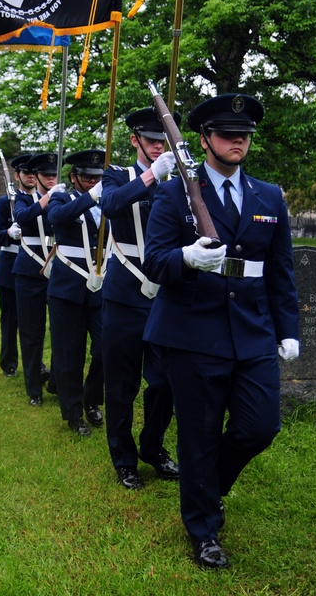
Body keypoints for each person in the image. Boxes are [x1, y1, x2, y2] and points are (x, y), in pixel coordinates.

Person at [142, 93, 300, 570]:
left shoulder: (268, 196)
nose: (239, 141)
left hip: (252, 330)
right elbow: (155, 260)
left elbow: (281, 270)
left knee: (260, 426)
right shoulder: (174, 194)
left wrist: (288, 328)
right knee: (200, 434)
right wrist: (187, 258)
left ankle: (208, 486)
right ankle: (204, 530)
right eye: (229, 134)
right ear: (205, 139)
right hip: (192, 331)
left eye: (245, 135)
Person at [99, 107, 181, 490]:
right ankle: (123, 458)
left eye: (161, 141)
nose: (156, 146)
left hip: (166, 294)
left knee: (165, 381)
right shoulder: (117, 175)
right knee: (121, 383)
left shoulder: (179, 180)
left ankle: (152, 446)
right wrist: (152, 175)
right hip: (125, 293)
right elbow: (111, 206)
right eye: (150, 140)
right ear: (135, 140)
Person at [46, 150, 107, 437]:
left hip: (100, 284)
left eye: (98, 177)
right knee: (70, 353)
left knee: (106, 348)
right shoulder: (61, 196)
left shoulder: (110, 198)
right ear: (74, 177)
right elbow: (57, 217)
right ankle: (73, 413)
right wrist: (92, 196)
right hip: (67, 287)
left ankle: (92, 397)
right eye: (87, 177)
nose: (94, 181)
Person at [10, 153, 60, 407]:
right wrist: (48, 199)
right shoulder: (21, 198)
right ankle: (33, 389)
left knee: (62, 332)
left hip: (59, 270)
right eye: (46, 175)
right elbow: (23, 217)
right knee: (32, 332)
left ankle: (57, 381)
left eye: (54, 174)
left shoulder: (62, 196)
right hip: (29, 272)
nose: (51, 179)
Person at [0, 154, 30, 377]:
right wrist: (8, 232)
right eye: (26, 173)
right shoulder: (5, 202)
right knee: (10, 319)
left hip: (36, 267)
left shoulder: (43, 201)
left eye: (34, 173)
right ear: (17, 176)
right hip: (10, 268)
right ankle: (9, 362)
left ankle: (34, 364)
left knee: (33, 321)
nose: (31, 177)